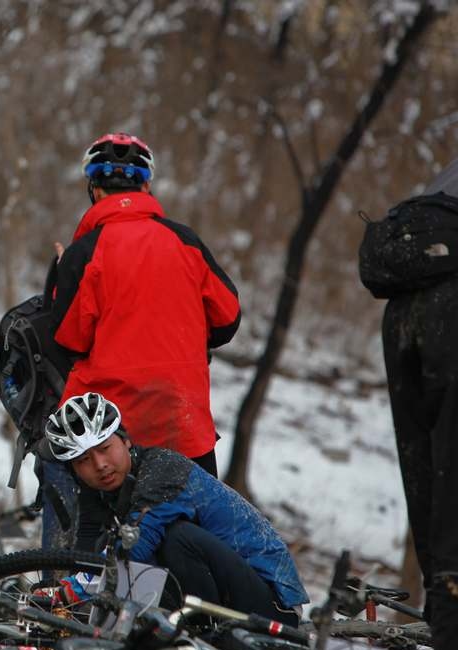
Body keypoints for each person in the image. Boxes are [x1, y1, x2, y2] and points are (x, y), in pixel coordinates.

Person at [39, 132, 240, 549]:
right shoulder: (185, 242)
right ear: (146, 186)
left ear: (93, 190)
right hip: (183, 425)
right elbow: (227, 320)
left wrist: (60, 278)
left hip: (106, 437)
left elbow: (68, 339)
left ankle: (64, 595)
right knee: (196, 546)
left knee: (92, 553)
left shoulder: (84, 252)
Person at [44, 392, 308, 624]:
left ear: (125, 441)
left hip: (274, 605)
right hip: (229, 589)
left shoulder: (162, 469)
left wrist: (73, 591)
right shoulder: (105, 492)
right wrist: (66, 596)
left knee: (174, 537)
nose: (100, 464)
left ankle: (202, 632)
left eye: (105, 448)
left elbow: (137, 545)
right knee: (116, 543)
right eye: (84, 461)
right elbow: (90, 549)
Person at [378, 164, 458, 650]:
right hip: (451, 308)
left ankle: (442, 635)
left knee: (431, 486)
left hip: (406, 304)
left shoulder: (445, 179)